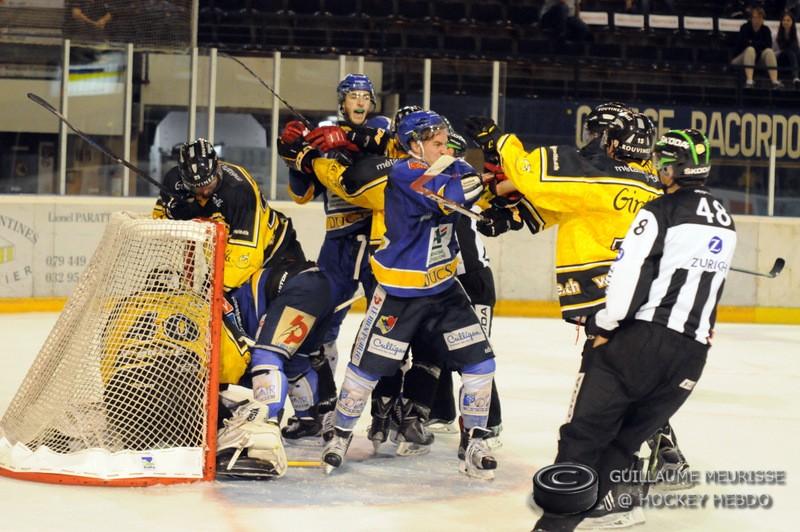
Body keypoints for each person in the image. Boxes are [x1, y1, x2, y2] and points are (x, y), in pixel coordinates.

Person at [534, 129, 737, 530]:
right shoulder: (725, 218)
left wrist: (604, 324)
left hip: (641, 343)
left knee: (584, 436)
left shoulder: (659, 209)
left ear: (673, 166)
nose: (658, 169)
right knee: (624, 440)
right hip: (691, 357)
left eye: (663, 162)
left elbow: (628, 276)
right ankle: (617, 503)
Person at [321, 110, 498, 479]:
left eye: (445, 142)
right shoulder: (405, 173)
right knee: (365, 370)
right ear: (414, 144)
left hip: (445, 289)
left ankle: (476, 438)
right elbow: (452, 193)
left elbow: (469, 188)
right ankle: (339, 434)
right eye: (436, 143)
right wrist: (489, 179)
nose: (444, 147)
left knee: (480, 363)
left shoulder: (447, 166)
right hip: (400, 292)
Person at [276, 74, 393, 443]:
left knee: (388, 328)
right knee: (320, 326)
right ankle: (318, 411)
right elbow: (301, 193)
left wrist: (344, 143)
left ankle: (387, 415)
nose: (360, 102)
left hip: (375, 239)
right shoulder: (325, 135)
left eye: (365, 96)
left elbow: (383, 152)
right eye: (352, 96)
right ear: (341, 101)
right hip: (337, 243)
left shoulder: (382, 128)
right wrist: (294, 153)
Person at [731, 7, 782, 89]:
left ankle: (775, 81)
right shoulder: (745, 27)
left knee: (769, 51)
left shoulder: (766, 30)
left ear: (763, 19)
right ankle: (750, 81)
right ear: (751, 18)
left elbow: (768, 46)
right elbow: (742, 44)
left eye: (759, 17)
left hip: (757, 59)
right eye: (755, 17)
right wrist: (758, 45)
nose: (757, 20)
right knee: (750, 50)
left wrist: (752, 42)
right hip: (740, 58)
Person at [775, 10, 800, 86]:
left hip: (793, 60)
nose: (786, 22)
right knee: (789, 52)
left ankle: (796, 75)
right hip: (780, 60)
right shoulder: (776, 34)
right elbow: (774, 52)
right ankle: (795, 76)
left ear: (792, 22)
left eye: (788, 20)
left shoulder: (797, 35)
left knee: (794, 52)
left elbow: (797, 51)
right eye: (784, 20)